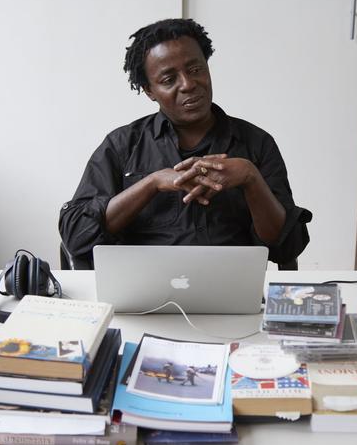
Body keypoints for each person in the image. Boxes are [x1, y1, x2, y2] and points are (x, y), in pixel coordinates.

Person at [59, 18, 312, 268]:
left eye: (195, 70)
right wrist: (152, 183)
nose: (189, 84)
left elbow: (285, 247)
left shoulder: (256, 143)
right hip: (142, 295)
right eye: (169, 80)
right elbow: (77, 236)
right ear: (149, 91)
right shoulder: (122, 145)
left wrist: (250, 177)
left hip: (231, 296)